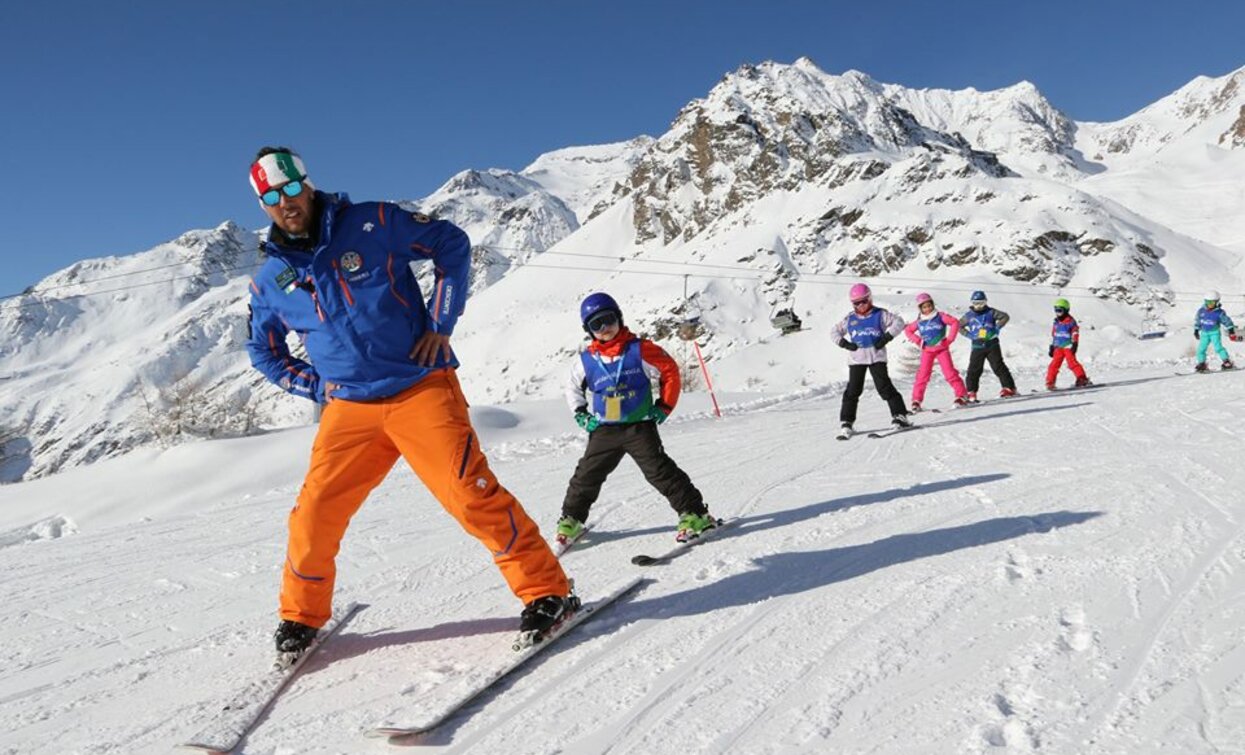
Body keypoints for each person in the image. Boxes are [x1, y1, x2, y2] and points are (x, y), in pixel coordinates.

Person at [243, 147, 573, 661]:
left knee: (470, 495)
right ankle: (300, 617)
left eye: (290, 189)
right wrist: (315, 386)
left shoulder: (372, 222)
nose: (284, 203)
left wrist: (440, 326)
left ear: (307, 184)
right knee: (313, 516)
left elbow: (450, 244)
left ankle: (548, 592)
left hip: (420, 388)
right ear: (262, 204)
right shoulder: (270, 280)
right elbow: (262, 350)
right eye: (270, 196)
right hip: (349, 411)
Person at [558, 293, 716, 544]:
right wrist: (581, 414)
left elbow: (670, 372)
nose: (604, 328)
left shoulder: (639, 350)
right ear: (588, 330)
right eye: (595, 325)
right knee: (587, 474)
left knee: (659, 471)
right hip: (604, 429)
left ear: (619, 318)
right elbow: (572, 388)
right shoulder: (586, 361)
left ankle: (695, 513)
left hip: (638, 427)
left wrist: (664, 406)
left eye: (608, 320)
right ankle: (571, 519)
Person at [831, 283, 911, 439]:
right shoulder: (850, 319)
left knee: (884, 388)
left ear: (870, 298)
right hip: (857, 360)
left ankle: (900, 416)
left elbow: (899, 322)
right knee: (853, 391)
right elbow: (834, 331)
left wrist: (886, 337)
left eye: (864, 301)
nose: (860, 305)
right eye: (856, 303)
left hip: (877, 358)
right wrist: (844, 343)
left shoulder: (880, 314)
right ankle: (847, 421)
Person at [903, 292, 968, 411]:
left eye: (929, 305)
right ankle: (916, 400)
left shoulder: (940, 316)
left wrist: (949, 340)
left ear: (932, 305)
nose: (927, 309)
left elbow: (955, 322)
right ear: (920, 308)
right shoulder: (919, 321)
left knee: (949, 372)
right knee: (922, 375)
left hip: (942, 350)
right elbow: (908, 330)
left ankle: (961, 395)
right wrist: (918, 341)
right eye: (924, 307)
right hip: (927, 351)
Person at [958, 290, 1018, 401]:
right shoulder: (969, 316)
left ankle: (1009, 388)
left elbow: (1005, 317)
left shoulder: (991, 312)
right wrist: (969, 335)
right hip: (977, 346)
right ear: (972, 303)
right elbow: (958, 326)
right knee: (974, 369)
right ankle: (971, 391)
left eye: (981, 303)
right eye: (976, 303)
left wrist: (997, 328)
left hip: (992, 344)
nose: (979, 306)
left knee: (998, 366)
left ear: (986, 302)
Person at [1046, 297, 1091, 389]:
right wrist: (1051, 346)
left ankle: (1082, 379)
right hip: (1058, 347)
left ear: (1066, 310)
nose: (1057, 313)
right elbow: (1054, 334)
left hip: (1068, 346)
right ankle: (1050, 382)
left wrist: (1075, 344)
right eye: (1056, 310)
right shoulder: (1056, 322)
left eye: (1060, 310)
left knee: (1072, 363)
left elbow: (1075, 333)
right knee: (1053, 365)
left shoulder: (1071, 322)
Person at [1194, 290, 1238, 371]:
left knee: (1218, 348)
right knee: (1201, 349)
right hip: (1204, 333)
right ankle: (1202, 363)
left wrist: (1231, 330)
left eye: (1212, 303)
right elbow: (1198, 321)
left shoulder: (1219, 313)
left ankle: (1227, 362)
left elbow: (1227, 321)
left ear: (1217, 302)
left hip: (1215, 333)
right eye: (1208, 302)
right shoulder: (1201, 311)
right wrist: (1196, 330)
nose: (1210, 305)